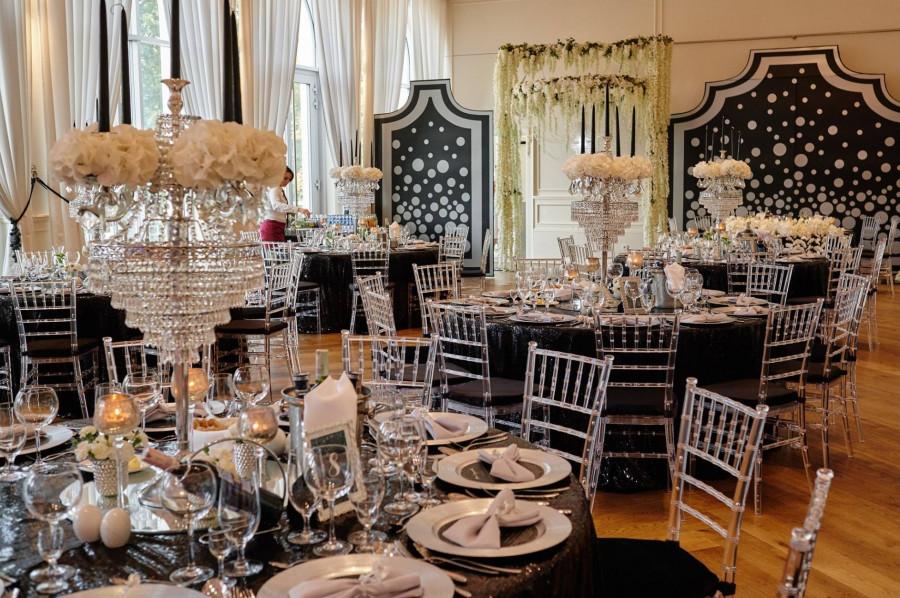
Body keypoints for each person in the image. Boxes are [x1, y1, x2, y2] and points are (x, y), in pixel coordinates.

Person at [259, 167, 311, 242]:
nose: (287, 181)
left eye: (289, 179)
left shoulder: (278, 189)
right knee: (276, 250)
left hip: (277, 226)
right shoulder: (274, 188)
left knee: (280, 249)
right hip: (272, 226)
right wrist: (299, 209)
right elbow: (276, 205)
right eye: (285, 178)